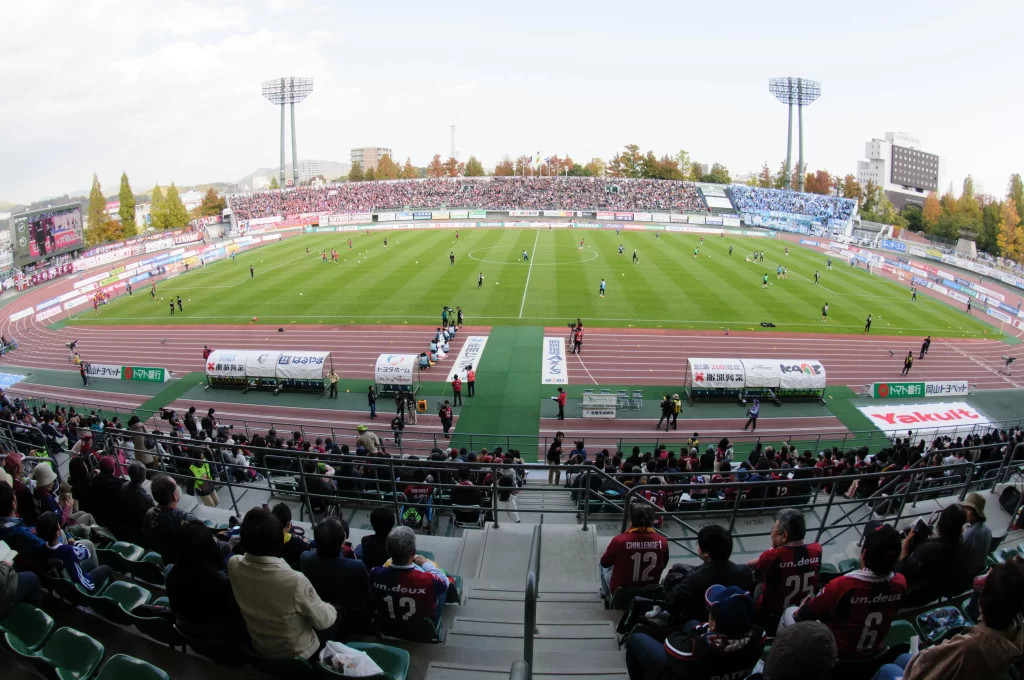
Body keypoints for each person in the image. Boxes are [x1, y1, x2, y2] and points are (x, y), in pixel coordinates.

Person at [875, 559, 1024, 680]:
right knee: (902, 658)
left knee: (887, 669)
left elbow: (918, 675)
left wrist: (930, 653)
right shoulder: (1015, 629)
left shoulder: (968, 647)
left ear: (983, 600)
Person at [782, 524, 906, 660]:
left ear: (863, 553)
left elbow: (804, 614)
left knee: (790, 612)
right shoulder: (900, 583)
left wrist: (800, 611)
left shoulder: (843, 585)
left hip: (835, 657)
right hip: (872, 658)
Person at [228, 508, 337, 660]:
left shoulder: (233, 564)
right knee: (336, 613)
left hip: (259, 645)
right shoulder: (295, 580)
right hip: (296, 655)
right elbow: (324, 621)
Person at [625, 585, 767, 680]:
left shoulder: (690, 652)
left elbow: (671, 642)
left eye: (710, 612)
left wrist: (696, 635)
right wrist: (703, 630)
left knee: (636, 639)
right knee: (692, 623)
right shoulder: (759, 637)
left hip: (684, 670)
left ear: (713, 624)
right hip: (726, 667)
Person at [746, 508, 822, 634]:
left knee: (758, 581)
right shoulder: (817, 550)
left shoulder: (771, 557)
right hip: (801, 611)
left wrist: (771, 552)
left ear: (784, 535)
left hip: (771, 615)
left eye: (773, 530)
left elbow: (753, 570)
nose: (771, 533)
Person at [166, 522, 245, 637]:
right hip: (220, 638)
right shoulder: (223, 583)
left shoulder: (169, 572)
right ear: (210, 549)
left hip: (188, 632)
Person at [665, 524, 755, 625]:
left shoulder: (694, 579)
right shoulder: (744, 572)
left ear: (706, 553)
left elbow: (671, 602)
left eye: (698, 544)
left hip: (698, 626)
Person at [370, 526, 451, 628]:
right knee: (443, 587)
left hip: (389, 625)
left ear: (388, 550)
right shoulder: (428, 580)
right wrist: (426, 563)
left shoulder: (375, 573)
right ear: (413, 552)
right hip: (421, 628)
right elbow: (445, 582)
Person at [897, 503, 968, 607]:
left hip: (914, 596)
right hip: (935, 592)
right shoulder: (960, 542)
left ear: (943, 522)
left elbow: (904, 573)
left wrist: (906, 544)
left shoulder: (928, 549)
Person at [300, 516, 369, 616]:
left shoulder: (305, 557)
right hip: (348, 611)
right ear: (342, 544)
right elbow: (365, 589)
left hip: (319, 604)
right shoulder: (357, 566)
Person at [599, 504, 669, 599]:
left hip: (621, 594)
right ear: (652, 521)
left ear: (631, 521)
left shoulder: (619, 540)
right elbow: (664, 565)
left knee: (601, 564)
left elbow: (605, 563)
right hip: (649, 593)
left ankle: (607, 595)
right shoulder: (663, 541)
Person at [36, 511, 112, 593]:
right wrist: (75, 542)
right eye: (58, 525)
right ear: (58, 533)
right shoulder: (68, 550)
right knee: (106, 568)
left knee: (89, 564)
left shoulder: (43, 550)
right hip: (83, 586)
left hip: (67, 587)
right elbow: (87, 553)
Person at [145, 475, 201, 565]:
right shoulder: (185, 519)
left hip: (168, 560)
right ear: (175, 496)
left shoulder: (149, 514)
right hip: (189, 563)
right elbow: (204, 538)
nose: (178, 488)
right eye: (176, 487)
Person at [961, 492, 992, 577]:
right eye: (964, 508)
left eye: (968, 509)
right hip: (978, 569)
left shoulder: (970, 534)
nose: (964, 512)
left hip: (966, 573)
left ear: (976, 513)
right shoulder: (987, 528)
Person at [119, 461, 156, 529]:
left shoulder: (124, 486)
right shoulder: (147, 499)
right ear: (144, 478)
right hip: (139, 526)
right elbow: (153, 515)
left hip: (127, 521)